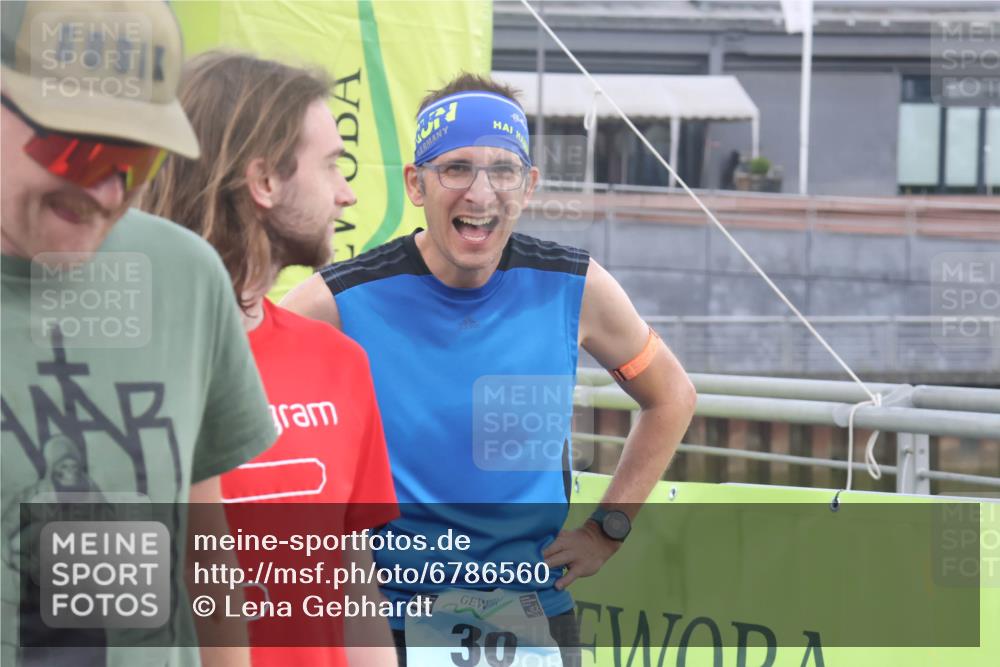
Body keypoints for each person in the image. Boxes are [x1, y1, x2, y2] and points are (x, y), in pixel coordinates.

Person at [282, 72, 698, 666]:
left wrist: (608, 529)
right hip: (390, 621)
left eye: (502, 169)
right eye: (455, 168)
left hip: (531, 615)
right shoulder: (342, 299)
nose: (480, 193)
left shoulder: (573, 287)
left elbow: (671, 397)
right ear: (416, 185)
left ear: (528, 186)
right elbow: (239, 393)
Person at [1, 2, 276, 666]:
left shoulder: (183, 275)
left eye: (138, 155)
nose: (106, 189)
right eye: (79, 146)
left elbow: (204, 541)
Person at [143, 52, 399, 667]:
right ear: (263, 182)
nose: (348, 193)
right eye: (333, 165)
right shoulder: (112, 364)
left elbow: (353, 586)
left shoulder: (340, 362)